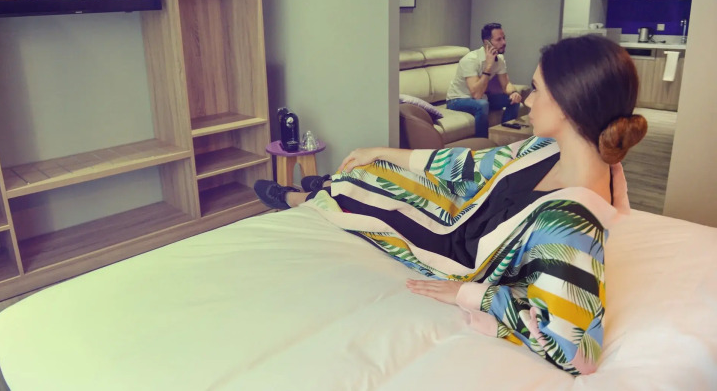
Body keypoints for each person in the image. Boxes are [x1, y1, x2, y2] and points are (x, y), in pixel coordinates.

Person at [254, 35, 648, 375]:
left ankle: (299, 197)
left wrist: (471, 295)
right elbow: (472, 165)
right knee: (376, 171)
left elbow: (575, 353)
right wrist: (381, 152)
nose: (527, 100)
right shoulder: (548, 147)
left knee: (365, 204)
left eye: (536, 89)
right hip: (468, 214)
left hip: (459, 251)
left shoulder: (573, 220)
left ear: (567, 104)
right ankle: (325, 185)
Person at [446, 22, 523, 138]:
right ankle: (482, 143)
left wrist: (514, 93)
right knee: (482, 104)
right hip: (457, 100)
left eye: (504, 38)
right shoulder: (470, 60)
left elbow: (506, 84)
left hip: (482, 97)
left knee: (513, 101)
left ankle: (504, 137)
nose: (504, 42)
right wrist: (488, 66)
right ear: (487, 43)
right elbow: (476, 94)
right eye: (499, 39)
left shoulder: (500, 59)